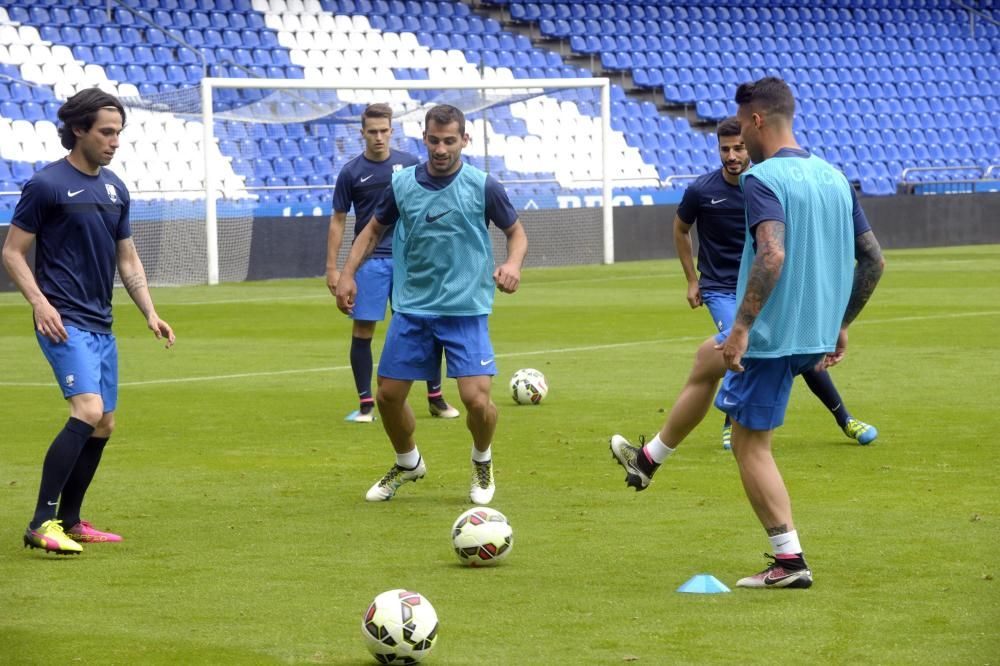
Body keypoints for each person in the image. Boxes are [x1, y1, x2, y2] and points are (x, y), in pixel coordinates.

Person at [610, 77, 884, 588]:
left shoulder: (764, 179)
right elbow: (873, 259)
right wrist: (841, 323)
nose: (740, 140)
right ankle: (649, 460)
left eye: (742, 127)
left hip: (771, 337)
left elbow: (772, 253)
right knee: (704, 360)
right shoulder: (834, 176)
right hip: (812, 334)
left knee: (749, 445)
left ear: (757, 121)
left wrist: (740, 329)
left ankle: (789, 562)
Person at [2, 88, 175, 555]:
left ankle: (71, 520)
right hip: (63, 320)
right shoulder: (46, 185)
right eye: (106, 132)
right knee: (88, 411)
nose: (114, 141)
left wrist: (150, 312)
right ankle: (41, 522)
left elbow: (129, 258)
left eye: (118, 132)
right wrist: (40, 302)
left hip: (101, 323)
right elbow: (13, 253)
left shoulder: (116, 188)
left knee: (105, 424)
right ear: (78, 129)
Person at [335, 104, 527, 504]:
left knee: (477, 401)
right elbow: (372, 231)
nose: (441, 149)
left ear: (464, 140)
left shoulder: (482, 185)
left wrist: (512, 263)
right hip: (414, 307)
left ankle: (481, 459)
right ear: (424, 138)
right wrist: (348, 273)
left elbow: (516, 233)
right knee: (387, 397)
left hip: (465, 308)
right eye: (434, 140)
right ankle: (408, 462)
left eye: (450, 141)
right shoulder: (402, 184)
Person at [674, 116, 878, 449]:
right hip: (721, 289)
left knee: (794, 346)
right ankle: (732, 423)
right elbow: (681, 229)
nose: (732, 156)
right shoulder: (701, 190)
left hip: (763, 287)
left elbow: (774, 251)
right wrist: (691, 279)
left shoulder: (763, 184)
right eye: (725, 149)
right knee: (739, 345)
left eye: (739, 147)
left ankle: (844, 418)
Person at [327, 103, 459, 423]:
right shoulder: (351, 172)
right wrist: (333, 268)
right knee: (363, 330)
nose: (378, 137)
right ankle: (366, 404)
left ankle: (436, 397)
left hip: (408, 261)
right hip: (370, 263)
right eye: (372, 132)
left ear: (392, 131)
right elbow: (338, 220)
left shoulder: (410, 164)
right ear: (362, 133)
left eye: (384, 131)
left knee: (425, 324)